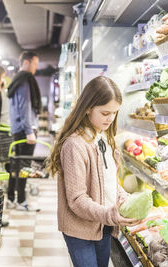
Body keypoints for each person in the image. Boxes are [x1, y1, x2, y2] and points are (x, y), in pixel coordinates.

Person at [47, 76, 142, 267]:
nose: (111, 118)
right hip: (80, 230)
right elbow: (76, 199)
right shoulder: (75, 145)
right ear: (88, 107)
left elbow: (109, 180)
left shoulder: (103, 137)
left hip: (103, 225)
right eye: (105, 113)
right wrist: (110, 214)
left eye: (114, 113)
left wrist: (123, 198)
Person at [6, 51, 41, 211]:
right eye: (35, 63)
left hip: (16, 128)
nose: (37, 67)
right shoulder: (25, 80)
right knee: (24, 167)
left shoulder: (15, 79)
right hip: (25, 130)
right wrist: (29, 131)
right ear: (26, 63)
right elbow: (24, 106)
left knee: (16, 166)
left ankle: (12, 199)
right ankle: (21, 201)